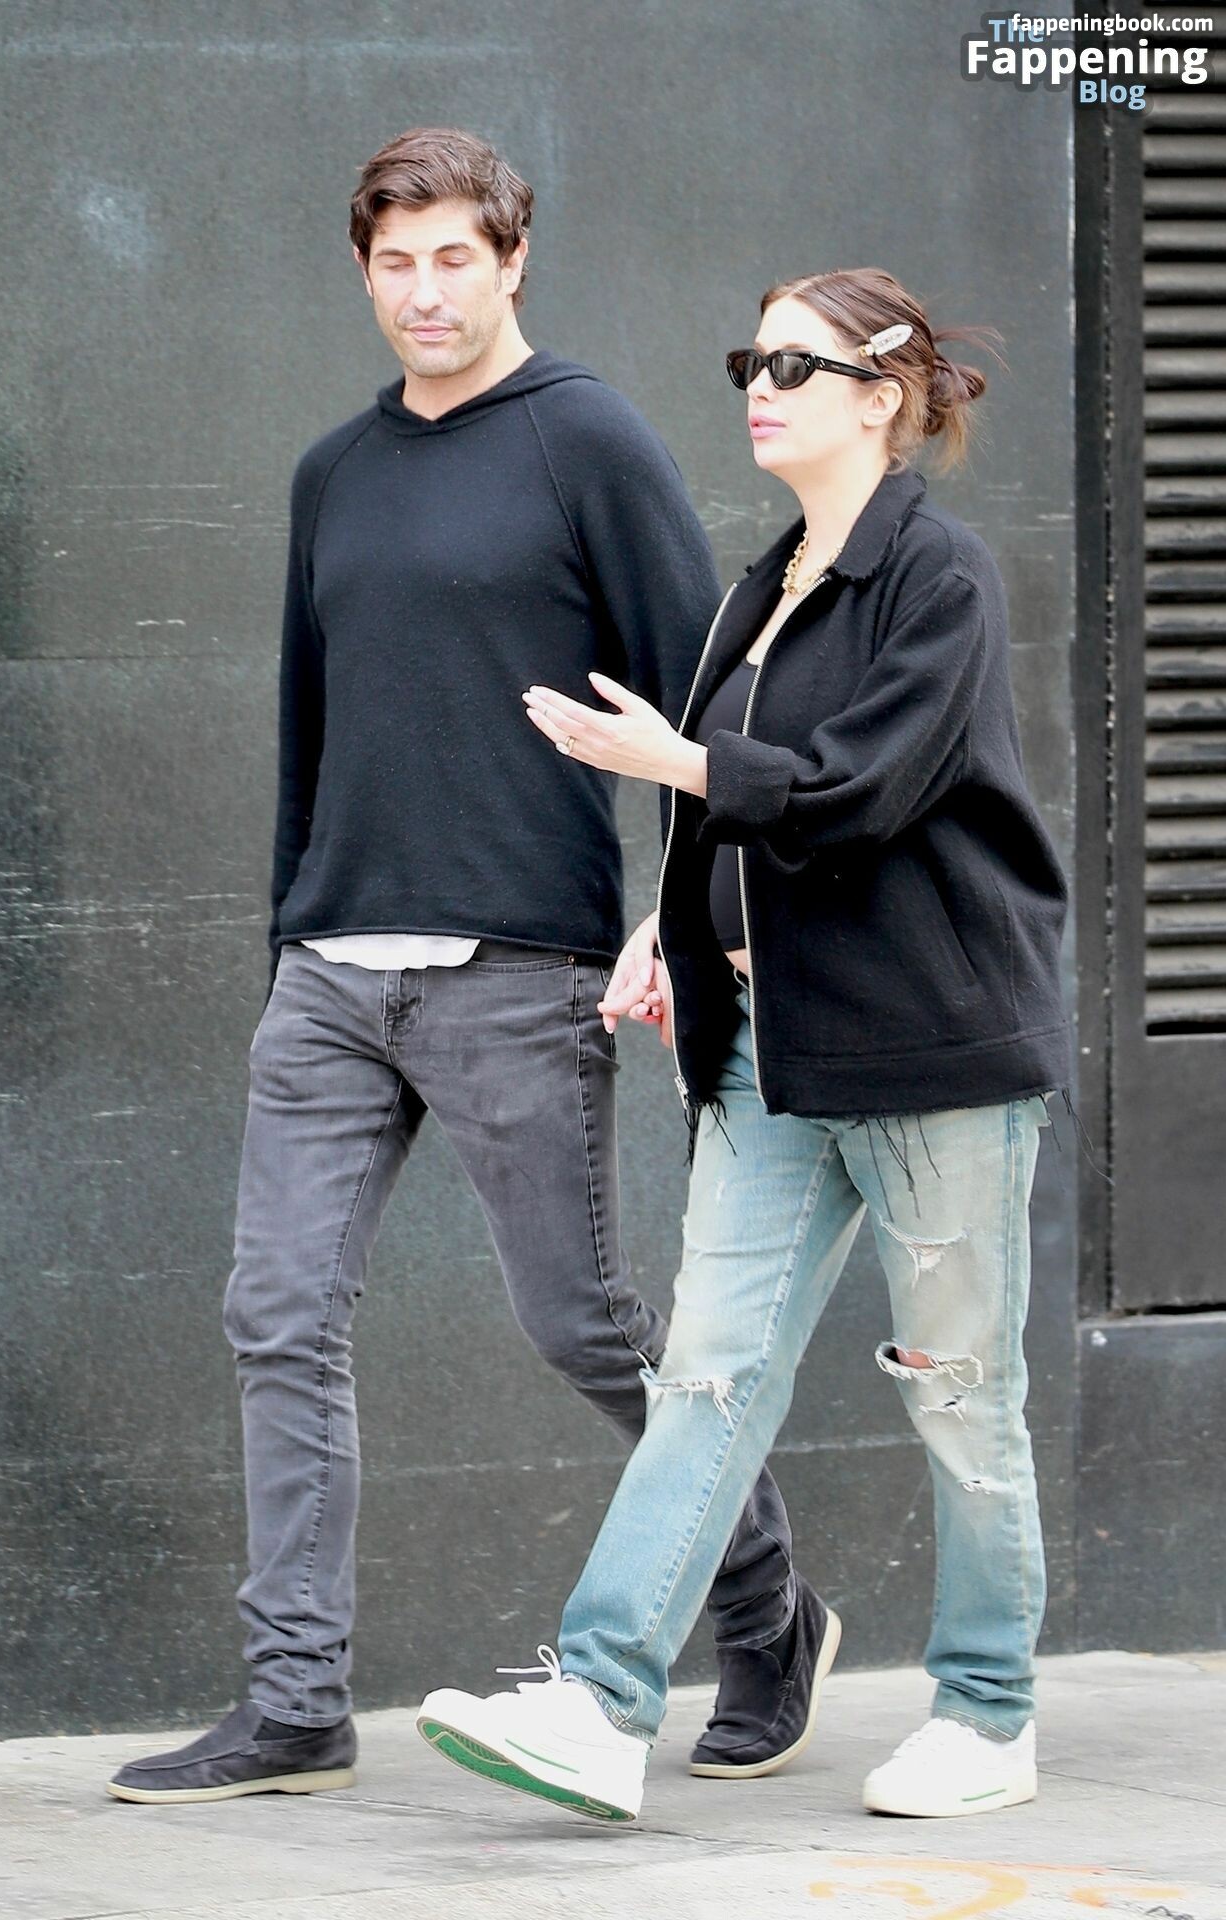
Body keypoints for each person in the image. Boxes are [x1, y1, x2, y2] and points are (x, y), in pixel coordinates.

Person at [106, 127, 837, 1806]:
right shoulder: (333, 473)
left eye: (455, 257)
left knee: (579, 1322)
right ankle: (295, 1700)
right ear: (362, 274)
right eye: (395, 262)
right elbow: (309, 723)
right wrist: (289, 934)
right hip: (330, 974)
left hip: (520, 963)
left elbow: (701, 702)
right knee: (277, 1316)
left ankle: (764, 1609)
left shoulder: (586, 439)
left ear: (513, 261)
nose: (424, 291)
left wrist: (684, 913)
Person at [415, 265, 1073, 1825]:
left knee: (959, 1390)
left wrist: (675, 761)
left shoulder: (939, 577)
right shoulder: (762, 587)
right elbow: (731, 816)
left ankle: (988, 1713)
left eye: (794, 364)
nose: (760, 389)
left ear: (881, 396)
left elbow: (858, 788)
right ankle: (601, 1704)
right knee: (708, 1376)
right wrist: (672, 919)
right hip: (770, 1047)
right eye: (748, 362)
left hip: (929, 1049)